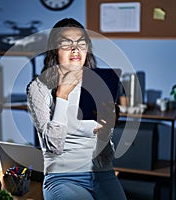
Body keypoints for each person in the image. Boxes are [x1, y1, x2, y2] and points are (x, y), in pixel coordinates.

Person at [26, 18, 126, 200]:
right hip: (62, 178)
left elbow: (106, 157)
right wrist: (62, 96)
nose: (75, 49)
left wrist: (105, 132)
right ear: (54, 50)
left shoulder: (97, 85)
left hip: (102, 174)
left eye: (81, 43)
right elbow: (54, 147)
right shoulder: (39, 87)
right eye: (66, 43)